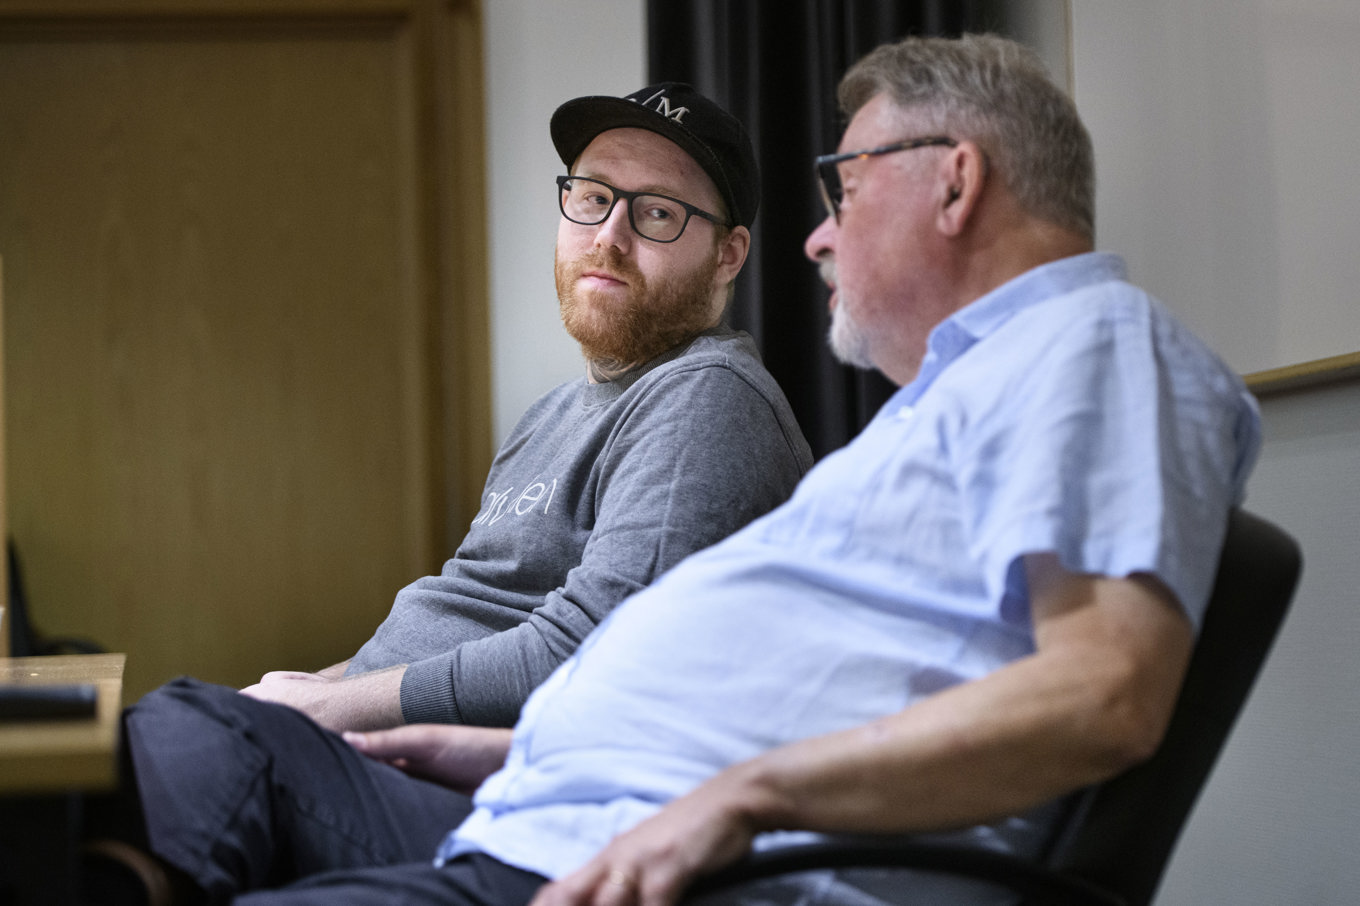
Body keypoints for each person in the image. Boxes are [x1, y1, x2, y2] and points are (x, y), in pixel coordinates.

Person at [110, 34, 1260, 906]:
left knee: (167, 762)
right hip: (551, 807)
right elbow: (838, 684)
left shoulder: (1091, 344)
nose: (818, 236)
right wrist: (536, 744)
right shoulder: (948, 410)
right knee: (165, 751)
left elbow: (1105, 691)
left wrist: (742, 796)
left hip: (639, 866)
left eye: (844, 189)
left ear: (954, 183)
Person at [234, 82, 813, 732]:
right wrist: (314, 687)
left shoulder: (707, 396)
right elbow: (469, 617)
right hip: (368, 745)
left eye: (655, 214)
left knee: (152, 749)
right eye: (593, 199)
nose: (609, 238)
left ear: (727, 255)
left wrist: (323, 711)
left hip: (455, 784)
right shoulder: (548, 416)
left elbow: (590, 648)